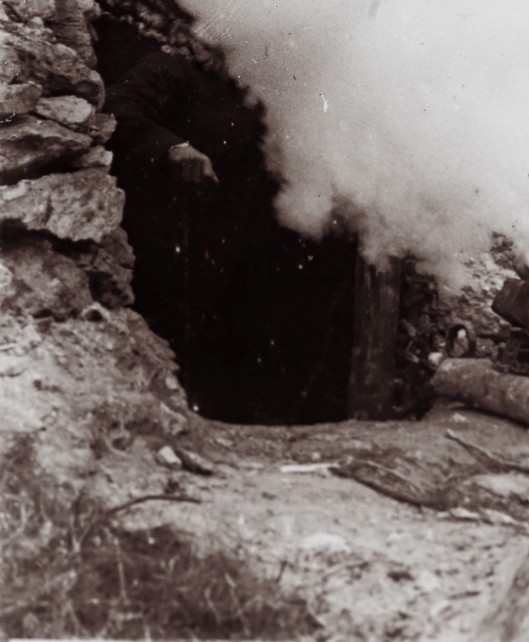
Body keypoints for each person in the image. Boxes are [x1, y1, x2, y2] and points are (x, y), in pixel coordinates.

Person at [105, 45, 355, 423]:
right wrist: (172, 148)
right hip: (180, 242)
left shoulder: (273, 84)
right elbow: (116, 109)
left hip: (248, 249)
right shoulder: (177, 65)